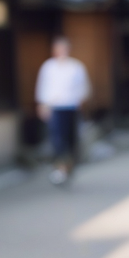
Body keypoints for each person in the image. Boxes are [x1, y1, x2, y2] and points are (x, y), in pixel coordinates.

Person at [36, 36, 91, 185]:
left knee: (71, 139)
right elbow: (43, 87)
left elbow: (84, 87)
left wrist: (80, 99)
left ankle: (70, 166)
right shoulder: (48, 67)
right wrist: (42, 105)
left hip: (71, 106)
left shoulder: (76, 67)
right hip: (55, 107)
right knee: (57, 139)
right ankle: (60, 167)